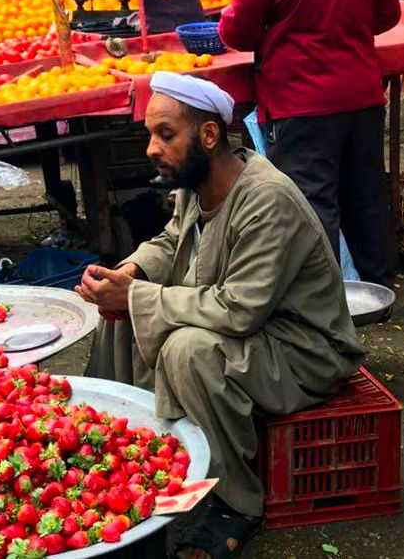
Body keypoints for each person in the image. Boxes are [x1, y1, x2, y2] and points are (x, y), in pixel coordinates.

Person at [80, 72, 363, 559]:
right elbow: (173, 240)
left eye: (165, 135)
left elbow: (238, 310)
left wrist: (138, 296)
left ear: (208, 136)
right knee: (121, 311)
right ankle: (121, 449)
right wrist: (129, 272)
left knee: (187, 349)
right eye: (151, 134)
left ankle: (237, 502)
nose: (151, 148)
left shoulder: (266, 199)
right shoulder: (198, 182)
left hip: (306, 352)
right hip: (254, 331)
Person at [218, 0, 402, 286]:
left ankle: (323, 308)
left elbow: (237, 32)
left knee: (312, 207)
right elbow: (389, 15)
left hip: (302, 109)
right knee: (366, 201)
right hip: (363, 102)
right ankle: (379, 292)